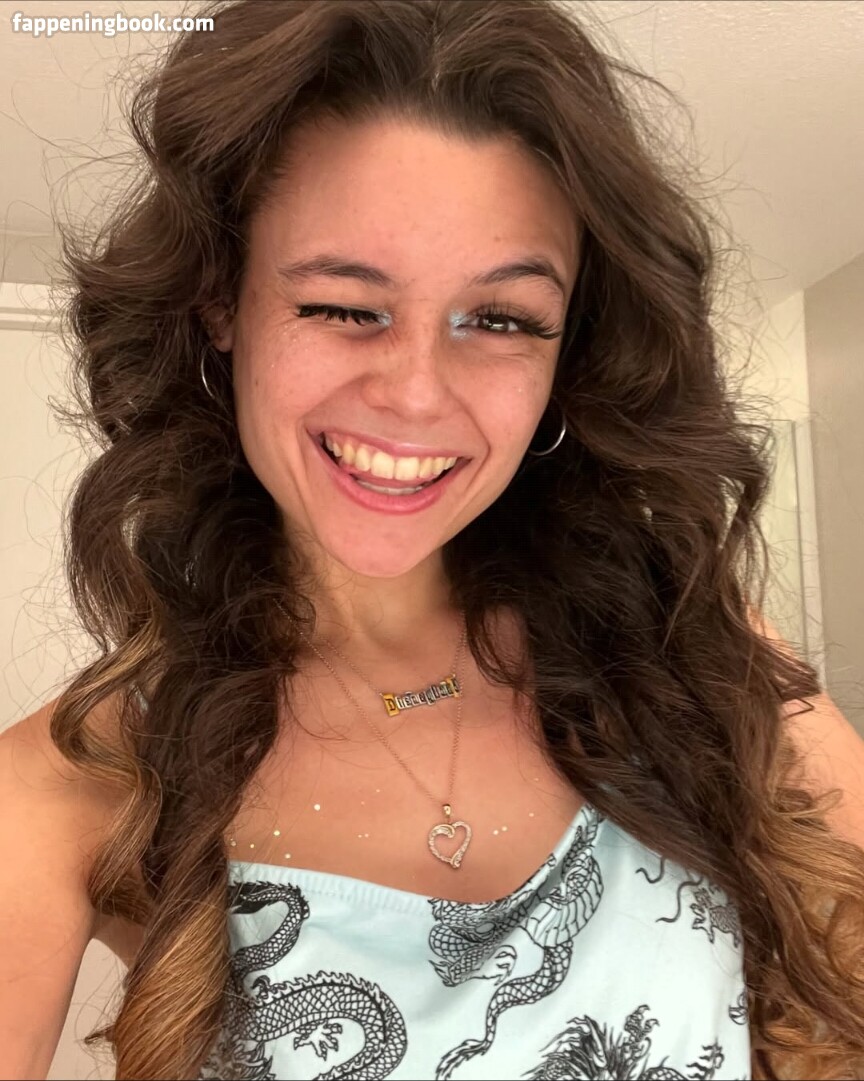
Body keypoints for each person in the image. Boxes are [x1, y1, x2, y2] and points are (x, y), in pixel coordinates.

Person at [2, 1, 864, 1079]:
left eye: (501, 319)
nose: (415, 395)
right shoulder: (73, 785)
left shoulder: (694, 644)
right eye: (340, 305)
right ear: (221, 302)